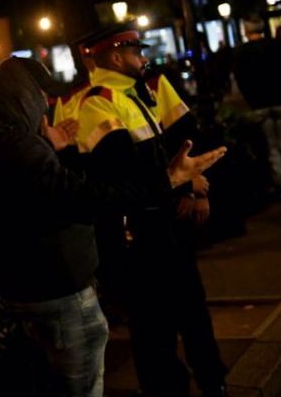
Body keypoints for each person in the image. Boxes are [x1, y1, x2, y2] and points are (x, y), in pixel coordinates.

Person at [0, 58, 222, 397]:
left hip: (20, 286)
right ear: (24, 94)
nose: (46, 106)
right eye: (42, 95)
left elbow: (32, 193)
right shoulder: (20, 148)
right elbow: (83, 197)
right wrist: (169, 180)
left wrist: (49, 149)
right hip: (61, 290)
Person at [75, 26, 229, 397]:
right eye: (136, 52)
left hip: (165, 225)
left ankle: (213, 383)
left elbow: (174, 153)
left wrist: (190, 184)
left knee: (192, 314)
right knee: (154, 331)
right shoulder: (100, 102)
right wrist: (181, 181)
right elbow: (123, 175)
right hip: (139, 237)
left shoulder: (134, 92)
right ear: (115, 57)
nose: (144, 58)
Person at [233, 16, 281, 197]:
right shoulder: (278, 46)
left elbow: (242, 80)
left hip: (260, 104)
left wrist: (251, 100)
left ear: (247, 31)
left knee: (271, 144)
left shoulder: (241, 53)